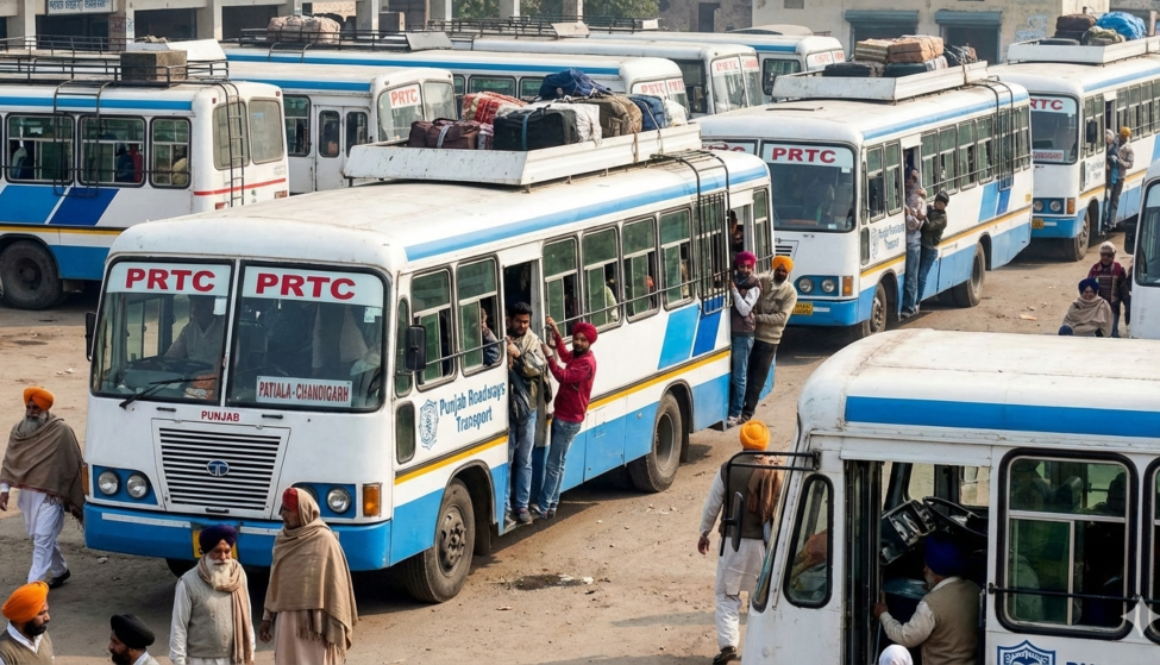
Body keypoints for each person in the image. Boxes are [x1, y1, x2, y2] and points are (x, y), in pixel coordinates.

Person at [697, 420, 782, 665]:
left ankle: (728, 647)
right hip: (762, 548)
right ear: (764, 443)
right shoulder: (774, 469)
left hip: (732, 544)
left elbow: (713, 503)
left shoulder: (729, 467)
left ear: (742, 441)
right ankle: (759, 651)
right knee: (760, 600)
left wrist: (704, 533)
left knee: (727, 594)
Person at [259, 488, 357, 665]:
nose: (284, 515)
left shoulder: (325, 540)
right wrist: (267, 617)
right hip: (287, 619)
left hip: (316, 622)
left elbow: (336, 586)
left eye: (288, 510)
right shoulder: (282, 539)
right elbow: (275, 581)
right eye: (283, 510)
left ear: (303, 511)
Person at [1, 387, 85, 588]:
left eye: (36, 408)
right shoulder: (19, 431)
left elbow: (72, 464)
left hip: (51, 497)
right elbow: (10, 462)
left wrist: (68, 493)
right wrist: (4, 490)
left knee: (42, 540)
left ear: (45, 409)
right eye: (29, 407)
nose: (31, 411)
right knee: (38, 536)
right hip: (27, 497)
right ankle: (60, 570)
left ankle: (33, 590)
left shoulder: (60, 431)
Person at [873, 535, 981, 665]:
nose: (923, 570)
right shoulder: (974, 589)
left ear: (937, 576)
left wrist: (884, 615)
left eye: (926, 566)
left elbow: (906, 638)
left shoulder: (931, 604)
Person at [535, 318, 597, 520]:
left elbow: (562, 375)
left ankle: (544, 506)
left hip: (568, 421)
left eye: (582, 340)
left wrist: (547, 357)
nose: (577, 342)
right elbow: (564, 354)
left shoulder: (586, 364)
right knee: (558, 464)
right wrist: (556, 333)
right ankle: (552, 504)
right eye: (576, 339)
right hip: (563, 417)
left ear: (589, 343)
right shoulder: (578, 357)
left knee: (553, 465)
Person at [170, 525, 255, 665]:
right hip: (201, 660)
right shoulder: (188, 583)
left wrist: (250, 652)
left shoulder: (238, 575)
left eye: (227, 551)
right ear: (205, 552)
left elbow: (247, 615)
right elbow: (179, 627)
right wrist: (179, 661)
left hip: (235, 657)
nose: (223, 557)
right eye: (217, 551)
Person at [504, 302, 546, 528]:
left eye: (526, 322)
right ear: (509, 319)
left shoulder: (533, 341)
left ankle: (522, 505)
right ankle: (505, 508)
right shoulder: (502, 337)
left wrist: (518, 355)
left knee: (525, 459)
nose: (522, 326)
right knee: (507, 459)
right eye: (519, 321)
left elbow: (537, 368)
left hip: (528, 407)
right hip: (505, 409)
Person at [741, 256, 797, 423]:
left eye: (784, 271)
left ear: (788, 273)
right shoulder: (763, 281)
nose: (780, 273)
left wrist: (757, 317)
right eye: (778, 270)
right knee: (744, 374)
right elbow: (749, 283)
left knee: (757, 378)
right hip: (751, 337)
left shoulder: (790, 292)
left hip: (769, 341)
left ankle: (748, 411)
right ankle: (738, 407)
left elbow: (781, 318)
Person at [727, 251, 760, 428]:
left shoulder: (754, 284)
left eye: (748, 266)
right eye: (742, 266)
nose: (745, 270)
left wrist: (733, 290)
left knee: (739, 376)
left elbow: (744, 309)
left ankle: (736, 412)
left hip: (743, 334)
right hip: (730, 332)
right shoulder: (735, 279)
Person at [0, 582, 53, 665]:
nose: (47, 618)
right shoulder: (4, 653)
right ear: (24, 617)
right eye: (41, 613)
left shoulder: (42, 635)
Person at [915, 192, 950, 312]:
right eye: (937, 202)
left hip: (930, 250)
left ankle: (917, 301)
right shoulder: (930, 209)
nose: (939, 205)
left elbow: (929, 227)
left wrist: (924, 217)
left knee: (921, 276)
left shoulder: (943, 219)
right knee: (914, 275)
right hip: (921, 246)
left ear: (945, 206)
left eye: (942, 203)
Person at [167, 296, 226, 366]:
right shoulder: (188, 330)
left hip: (217, 375)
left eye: (200, 306)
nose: (195, 311)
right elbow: (172, 355)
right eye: (193, 306)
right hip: (192, 373)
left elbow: (232, 361)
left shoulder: (224, 328)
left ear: (211, 306)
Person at [1088, 241, 1129, 338]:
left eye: (1108, 255)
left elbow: (1124, 291)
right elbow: (1087, 288)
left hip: (1113, 308)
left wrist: (1128, 306)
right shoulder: (1094, 269)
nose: (1105, 258)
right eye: (1103, 255)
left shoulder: (1119, 269)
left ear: (1113, 255)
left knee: (1112, 334)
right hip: (1097, 309)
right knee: (1097, 333)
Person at [901, 172, 927, 319]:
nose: (907, 181)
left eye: (909, 178)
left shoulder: (918, 200)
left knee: (911, 276)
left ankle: (909, 307)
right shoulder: (899, 194)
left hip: (912, 242)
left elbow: (915, 225)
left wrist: (907, 214)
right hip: (899, 241)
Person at [1106, 127, 1135, 228]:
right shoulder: (1115, 141)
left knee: (1115, 199)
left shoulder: (1129, 148)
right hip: (1110, 174)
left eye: (1124, 136)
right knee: (1108, 198)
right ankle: (1106, 219)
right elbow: (1108, 151)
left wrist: (1120, 162)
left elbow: (1130, 165)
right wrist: (1110, 158)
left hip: (1119, 177)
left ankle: (1112, 221)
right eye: (1121, 135)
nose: (1122, 137)